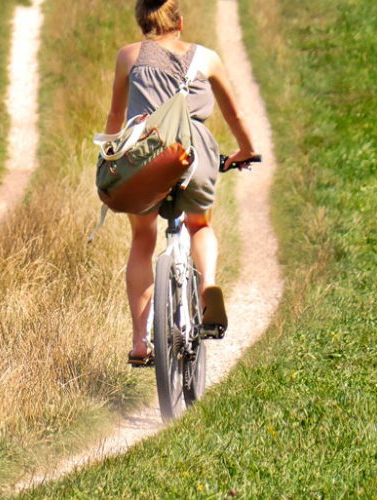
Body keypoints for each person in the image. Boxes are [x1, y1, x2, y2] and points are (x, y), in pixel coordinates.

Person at [104, 0, 258, 365]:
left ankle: (141, 341)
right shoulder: (207, 58)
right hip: (195, 155)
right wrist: (246, 151)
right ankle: (207, 288)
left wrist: (111, 156)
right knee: (200, 224)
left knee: (143, 237)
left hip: (144, 156)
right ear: (181, 22)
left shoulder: (128, 57)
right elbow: (233, 112)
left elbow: (114, 114)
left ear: (143, 23)